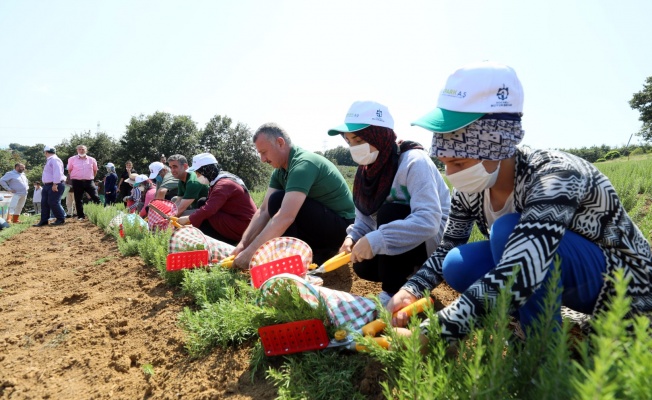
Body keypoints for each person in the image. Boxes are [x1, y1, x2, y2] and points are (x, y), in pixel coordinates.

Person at [388, 61, 652, 345]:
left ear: (497, 145)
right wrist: (413, 288)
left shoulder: (556, 175)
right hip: (564, 280)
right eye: (445, 164)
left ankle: (540, 350)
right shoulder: (473, 187)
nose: (452, 175)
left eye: (459, 162)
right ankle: (532, 318)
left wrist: (433, 333)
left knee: (507, 231)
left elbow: (524, 264)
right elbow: (449, 245)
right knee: (457, 264)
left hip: (627, 289)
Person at [327, 101, 451, 305]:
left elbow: (429, 220)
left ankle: (392, 292)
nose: (354, 148)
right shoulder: (365, 172)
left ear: (378, 134)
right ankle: (405, 278)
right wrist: (353, 237)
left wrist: (377, 239)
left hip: (434, 245)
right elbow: (364, 220)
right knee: (362, 265)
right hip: (405, 244)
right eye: (349, 141)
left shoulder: (413, 161)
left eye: (359, 139)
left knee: (390, 212)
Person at [232, 123, 356, 269]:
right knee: (274, 202)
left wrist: (250, 254)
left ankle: (312, 254)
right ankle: (305, 253)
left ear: (280, 143)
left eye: (264, 152)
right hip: (322, 221)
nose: (262, 159)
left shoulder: (303, 164)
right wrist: (242, 245)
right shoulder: (280, 171)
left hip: (343, 228)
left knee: (278, 201)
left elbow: (285, 216)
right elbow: (264, 210)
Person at [176, 153, 257, 246]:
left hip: (243, 226)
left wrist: (188, 219)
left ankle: (217, 243)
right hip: (239, 221)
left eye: (198, 172)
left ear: (207, 170)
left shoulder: (224, 184)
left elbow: (209, 209)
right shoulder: (220, 179)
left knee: (205, 216)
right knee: (202, 203)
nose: (196, 175)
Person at [33, 146, 66, 226]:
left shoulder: (55, 160)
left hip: (54, 184)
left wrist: (55, 184)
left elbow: (57, 172)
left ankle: (60, 219)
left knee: (53, 202)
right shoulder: (50, 160)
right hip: (47, 185)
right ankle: (44, 220)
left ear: (46, 152)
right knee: (44, 203)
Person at [67, 144, 101, 220]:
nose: (81, 150)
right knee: (78, 199)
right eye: (80, 149)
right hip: (77, 182)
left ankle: (101, 213)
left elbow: (95, 170)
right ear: (77, 150)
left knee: (95, 197)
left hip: (89, 181)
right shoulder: (72, 159)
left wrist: (91, 178)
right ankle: (81, 216)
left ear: (86, 150)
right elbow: (69, 170)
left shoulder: (92, 159)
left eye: (83, 149)